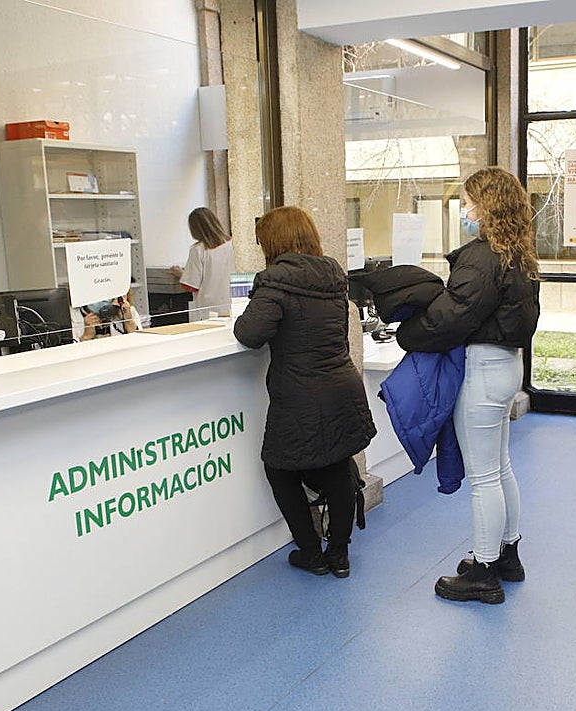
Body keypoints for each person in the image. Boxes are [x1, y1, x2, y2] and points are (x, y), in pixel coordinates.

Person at [395, 166, 540, 606]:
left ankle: (484, 571)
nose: (463, 209)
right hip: (508, 365)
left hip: (483, 371)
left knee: (483, 478)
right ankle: (507, 555)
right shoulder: (518, 253)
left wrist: (407, 333)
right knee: (500, 467)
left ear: (486, 206)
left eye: (467, 201)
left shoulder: (482, 256)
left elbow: (452, 316)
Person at [233, 206, 376, 579]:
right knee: (337, 466)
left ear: (274, 242)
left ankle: (311, 552)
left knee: (279, 469)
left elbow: (249, 333)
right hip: (342, 386)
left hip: (300, 393)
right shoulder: (333, 275)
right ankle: (339, 554)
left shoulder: (274, 282)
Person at [172, 207, 235, 319]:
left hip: (208, 310)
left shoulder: (198, 250)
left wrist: (181, 274)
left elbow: (191, 285)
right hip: (232, 306)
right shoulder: (232, 244)